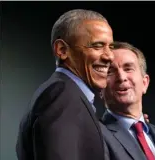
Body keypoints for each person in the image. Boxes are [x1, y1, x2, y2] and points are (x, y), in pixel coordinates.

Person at [16, 9, 115, 160]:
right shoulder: (62, 96)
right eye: (97, 45)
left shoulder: (67, 95)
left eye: (111, 47)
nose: (109, 56)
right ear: (62, 50)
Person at [100, 42, 155, 160]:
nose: (121, 77)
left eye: (128, 68)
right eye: (110, 71)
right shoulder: (96, 135)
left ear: (145, 83)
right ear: (100, 88)